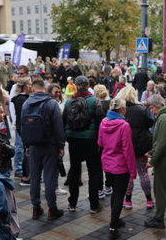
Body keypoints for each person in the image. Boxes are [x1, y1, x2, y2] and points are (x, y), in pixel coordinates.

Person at [22, 79, 66, 220]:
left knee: (34, 178)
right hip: (50, 145)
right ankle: (52, 209)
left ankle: (36, 208)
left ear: (33, 89)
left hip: (33, 146)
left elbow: (23, 127)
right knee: (50, 178)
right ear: (45, 89)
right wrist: (61, 145)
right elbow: (59, 127)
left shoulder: (26, 104)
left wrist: (26, 146)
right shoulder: (51, 103)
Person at [63, 76, 105, 213]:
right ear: (87, 85)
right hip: (91, 141)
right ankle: (94, 205)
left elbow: (64, 121)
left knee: (75, 171)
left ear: (75, 85)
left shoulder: (69, 102)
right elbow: (101, 122)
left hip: (74, 140)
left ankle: (72, 203)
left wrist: (67, 137)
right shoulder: (95, 101)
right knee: (93, 171)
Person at [98, 98, 136, 240]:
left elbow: (100, 142)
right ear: (121, 110)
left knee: (115, 193)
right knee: (119, 195)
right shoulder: (124, 126)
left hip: (107, 163)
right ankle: (113, 226)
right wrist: (132, 170)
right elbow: (128, 150)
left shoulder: (104, 122)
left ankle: (116, 220)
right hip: (120, 165)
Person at [115, 86, 154, 209]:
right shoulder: (141, 109)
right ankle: (149, 199)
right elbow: (150, 123)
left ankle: (127, 200)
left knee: (128, 175)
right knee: (143, 173)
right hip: (141, 146)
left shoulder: (120, 110)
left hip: (125, 147)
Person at [144, 95, 166, 229]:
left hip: (165, 159)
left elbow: (162, 143)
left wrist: (152, 161)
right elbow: (161, 142)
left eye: (152, 108)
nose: (151, 111)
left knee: (160, 189)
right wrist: (152, 151)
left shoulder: (163, 118)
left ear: (158, 105)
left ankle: (159, 219)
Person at [12, 78, 31, 181]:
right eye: (29, 84)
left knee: (25, 150)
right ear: (25, 86)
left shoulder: (25, 98)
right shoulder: (20, 99)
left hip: (23, 126)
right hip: (23, 127)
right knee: (23, 150)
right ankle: (23, 172)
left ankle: (25, 171)